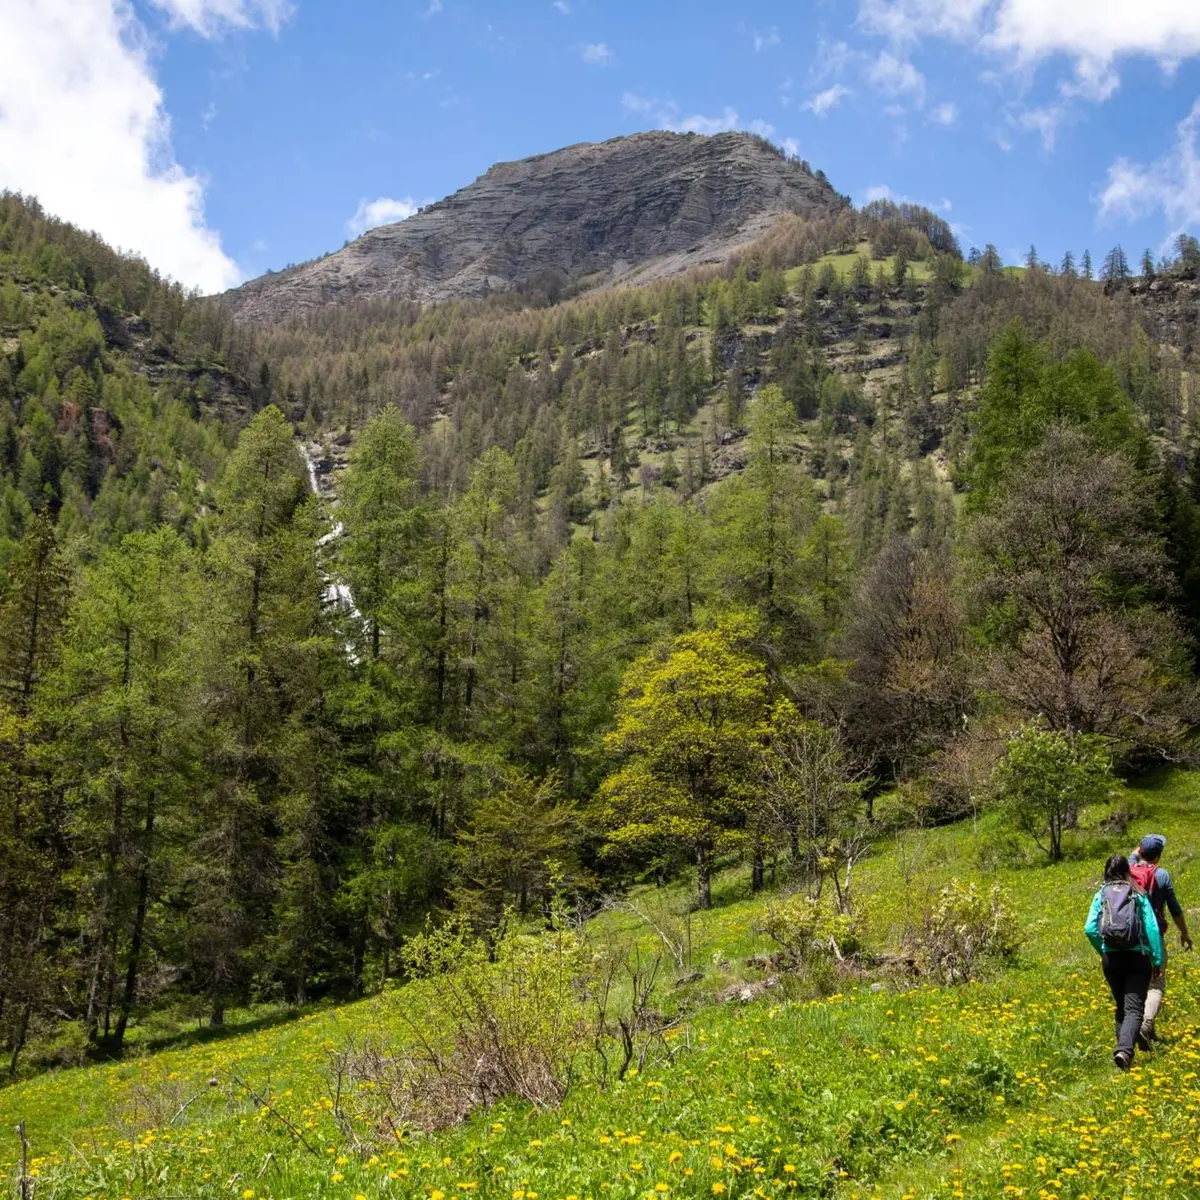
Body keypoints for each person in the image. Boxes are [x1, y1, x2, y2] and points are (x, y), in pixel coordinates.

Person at [1084, 854, 1164, 1070]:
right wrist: (1157, 959)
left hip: (1112, 959)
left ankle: (1122, 1054)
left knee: (1122, 1005)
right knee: (1134, 1009)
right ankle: (1124, 1051)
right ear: (1127, 871)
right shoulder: (1138, 895)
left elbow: (1090, 928)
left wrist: (1103, 950)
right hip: (1137, 957)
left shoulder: (1101, 894)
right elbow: (1152, 929)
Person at [1129, 833, 1194, 1044]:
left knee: (1138, 982)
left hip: (1128, 938)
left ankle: (1148, 1033)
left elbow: (1134, 854)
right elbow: (1174, 908)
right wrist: (1184, 932)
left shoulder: (1129, 869)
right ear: (1158, 856)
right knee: (1156, 984)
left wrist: (1141, 848)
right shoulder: (1162, 875)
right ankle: (1146, 1024)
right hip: (1153, 937)